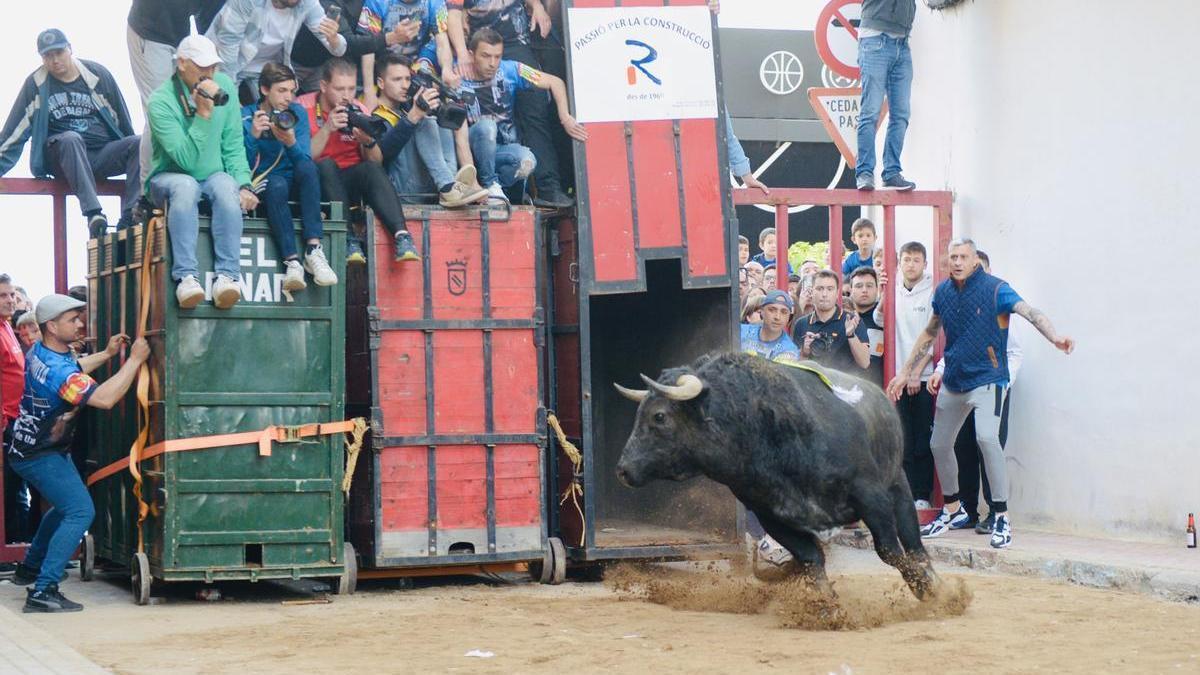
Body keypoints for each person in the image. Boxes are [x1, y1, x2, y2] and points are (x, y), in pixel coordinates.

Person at [887, 238, 1076, 549]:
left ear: (975, 260)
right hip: (955, 380)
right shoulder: (944, 292)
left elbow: (1029, 312)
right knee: (939, 444)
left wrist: (1054, 336)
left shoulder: (996, 288)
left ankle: (1001, 515)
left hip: (989, 378)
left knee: (987, 439)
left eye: (963, 257)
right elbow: (930, 331)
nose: (958, 262)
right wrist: (906, 371)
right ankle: (953, 510)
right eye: (953, 257)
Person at [6, 295, 150, 612]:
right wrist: (134, 361)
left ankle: (29, 568)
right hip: (40, 453)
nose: (80, 324)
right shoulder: (58, 372)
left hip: (34, 447)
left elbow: (76, 368)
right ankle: (44, 590)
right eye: (73, 319)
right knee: (80, 511)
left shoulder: (42, 353)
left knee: (64, 506)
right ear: (51, 326)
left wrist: (109, 354)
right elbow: (105, 398)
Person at [146, 32, 256, 310]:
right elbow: (185, 160)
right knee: (186, 186)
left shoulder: (223, 85)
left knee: (226, 186)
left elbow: (233, 144)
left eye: (213, 66)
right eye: (202, 66)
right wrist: (203, 115)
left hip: (212, 175)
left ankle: (228, 277)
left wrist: (244, 183)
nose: (210, 73)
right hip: (168, 176)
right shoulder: (160, 101)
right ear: (181, 63)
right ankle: (186, 277)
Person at [0, 30, 140, 237]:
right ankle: (94, 214)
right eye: (48, 56)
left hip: (100, 155)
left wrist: (136, 157)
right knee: (71, 139)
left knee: (139, 143)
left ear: (70, 49)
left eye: (59, 52)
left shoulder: (98, 76)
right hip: (62, 156)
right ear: (42, 58)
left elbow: (123, 124)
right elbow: (13, 134)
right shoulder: (36, 84)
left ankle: (131, 216)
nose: (55, 61)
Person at [446, 2, 575, 208]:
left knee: (535, 109)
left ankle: (546, 188)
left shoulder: (511, 67)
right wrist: (462, 54)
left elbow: (553, 82)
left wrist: (537, 7)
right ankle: (478, 183)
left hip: (514, 42)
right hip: (481, 40)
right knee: (476, 117)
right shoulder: (468, 62)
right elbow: (452, 14)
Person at [931, 249, 1023, 534]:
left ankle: (996, 513)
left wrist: (1003, 383)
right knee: (959, 447)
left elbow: (1014, 352)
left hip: (992, 386)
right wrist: (939, 370)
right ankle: (964, 510)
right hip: (959, 385)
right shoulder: (955, 302)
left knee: (988, 443)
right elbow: (956, 347)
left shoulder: (998, 303)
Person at [299, 57, 419, 263]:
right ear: (323, 86)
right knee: (326, 166)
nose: (346, 96)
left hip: (351, 182)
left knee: (371, 169)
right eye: (339, 89)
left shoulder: (359, 109)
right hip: (318, 183)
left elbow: (377, 161)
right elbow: (302, 158)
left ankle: (402, 236)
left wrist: (369, 143)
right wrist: (328, 128)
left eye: (351, 88)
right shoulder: (302, 107)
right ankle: (348, 240)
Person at [242, 62, 339, 292]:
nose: (288, 97)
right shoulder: (246, 116)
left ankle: (313, 250)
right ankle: (292, 261)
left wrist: (291, 142)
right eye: (282, 91)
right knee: (275, 185)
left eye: (292, 91)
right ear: (265, 89)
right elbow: (240, 165)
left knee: (309, 169)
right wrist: (254, 136)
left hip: (293, 178)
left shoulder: (296, 114)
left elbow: (304, 159)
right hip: (265, 181)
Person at [127, 0, 226, 188]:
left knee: (194, 104)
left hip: (181, 38)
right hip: (148, 32)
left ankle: (188, 179)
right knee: (157, 110)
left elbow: (207, 22)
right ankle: (145, 194)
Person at [372, 53, 486, 207]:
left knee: (439, 119)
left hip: (428, 187)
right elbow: (381, 156)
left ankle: (451, 184)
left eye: (407, 79)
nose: (405, 85)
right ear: (381, 83)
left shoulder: (407, 107)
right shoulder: (374, 115)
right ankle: (448, 186)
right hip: (401, 192)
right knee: (424, 121)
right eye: (397, 79)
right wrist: (414, 116)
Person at [207, 0, 347, 101]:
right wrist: (232, 97)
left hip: (266, 67)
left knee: (284, 113)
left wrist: (333, 38)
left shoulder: (307, 3)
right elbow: (227, 45)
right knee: (223, 110)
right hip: (223, 61)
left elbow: (339, 50)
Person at [884, 241, 935, 508]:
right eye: (907, 259)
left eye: (917, 259)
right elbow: (882, 322)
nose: (911, 264)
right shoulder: (892, 291)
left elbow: (933, 336)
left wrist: (916, 373)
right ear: (900, 262)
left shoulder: (932, 293)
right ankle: (904, 496)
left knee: (922, 441)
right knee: (901, 439)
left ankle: (922, 496)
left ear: (925, 264)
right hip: (896, 378)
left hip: (923, 378)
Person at [855, 0, 916, 192]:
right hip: (875, 37)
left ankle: (891, 172)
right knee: (871, 111)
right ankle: (865, 172)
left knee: (901, 114)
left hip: (902, 41)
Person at [355, 0, 455, 111]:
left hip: (414, 66)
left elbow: (442, 43)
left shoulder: (436, 3)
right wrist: (369, 91)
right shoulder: (377, 2)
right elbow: (368, 45)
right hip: (380, 66)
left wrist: (447, 68)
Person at [1, 276, 31, 544]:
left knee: (16, 484)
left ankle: (17, 544)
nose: (10, 300)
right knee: (8, 487)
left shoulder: (7, 327)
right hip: (5, 422)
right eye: (3, 296)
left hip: (16, 420)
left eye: (11, 295)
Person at [793, 270, 870, 373]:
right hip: (812, 385)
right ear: (812, 291)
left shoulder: (852, 321)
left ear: (837, 292)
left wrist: (851, 335)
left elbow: (865, 363)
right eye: (820, 289)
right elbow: (795, 369)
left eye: (830, 289)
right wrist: (805, 352)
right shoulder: (801, 324)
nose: (824, 294)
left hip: (844, 386)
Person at [740, 290, 800, 364]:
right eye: (772, 310)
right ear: (762, 311)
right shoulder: (741, 331)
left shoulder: (789, 351)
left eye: (784, 312)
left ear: (789, 317)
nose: (777, 317)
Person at [848, 266, 885, 384]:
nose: (864, 290)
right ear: (851, 289)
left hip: (878, 389)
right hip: (846, 385)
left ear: (877, 289)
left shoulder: (886, 317)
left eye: (869, 286)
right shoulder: (843, 317)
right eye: (859, 286)